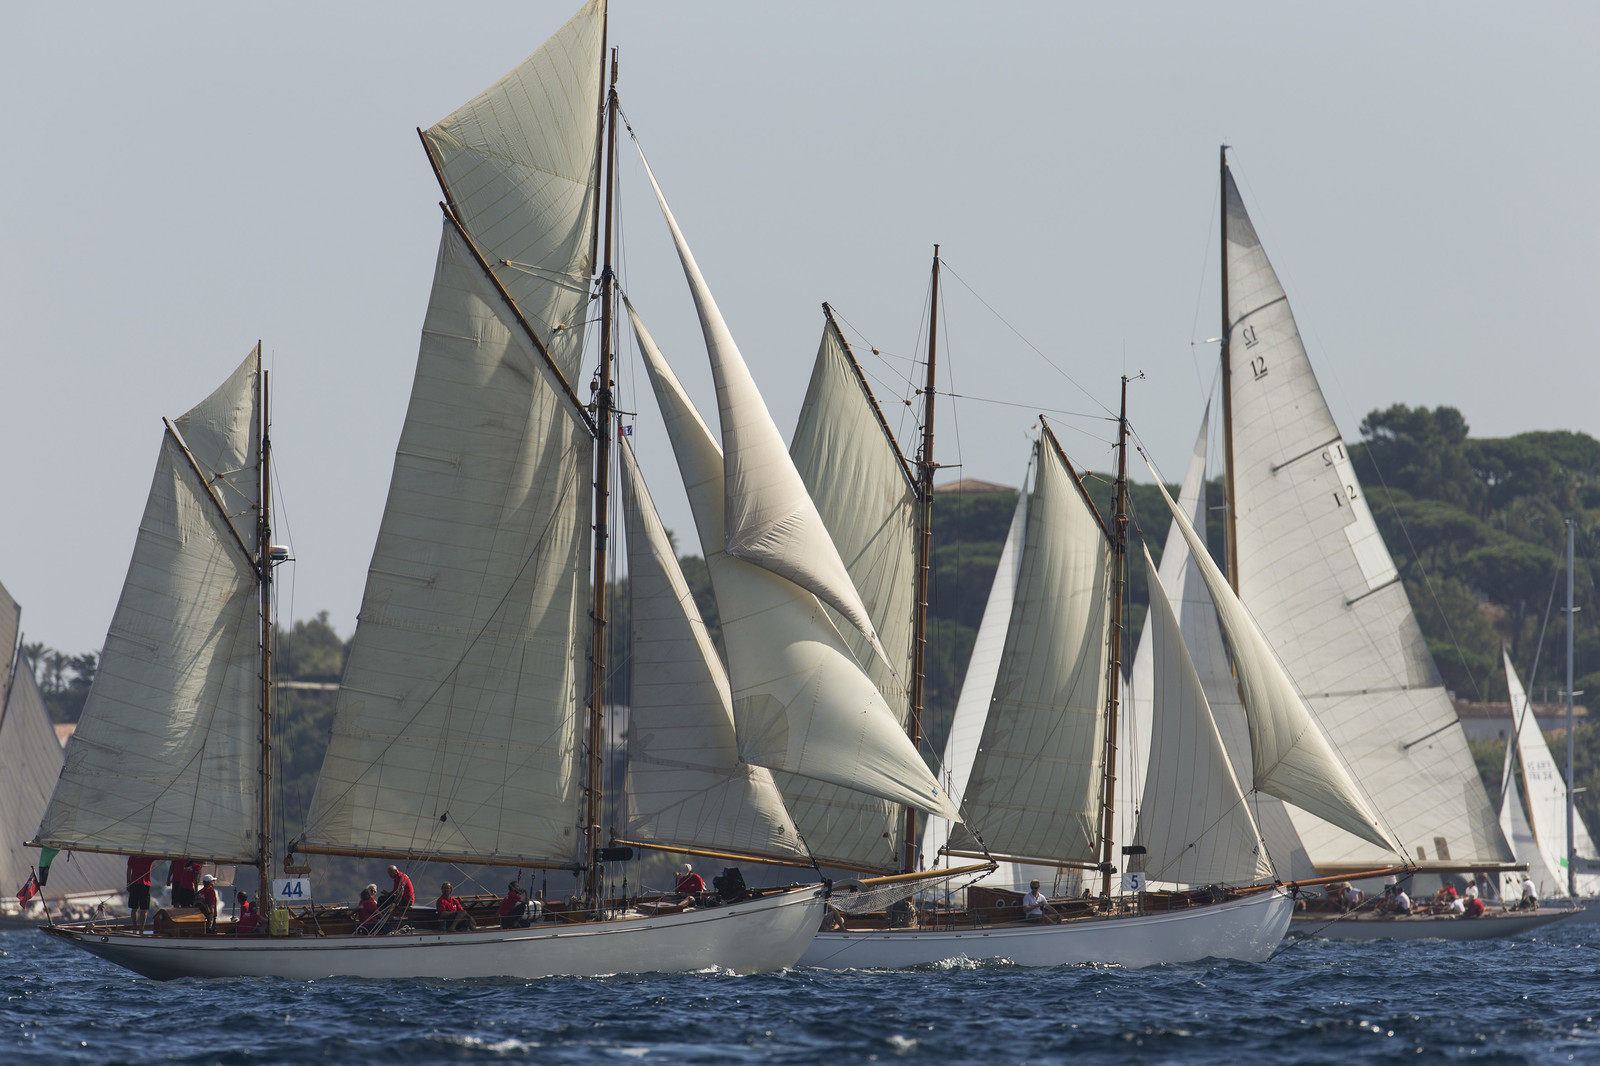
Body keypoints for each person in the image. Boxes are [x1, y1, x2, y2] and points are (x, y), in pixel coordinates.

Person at [126, 854, 155, 933]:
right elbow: (129, 868)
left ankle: (139, 928)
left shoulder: (147, 856)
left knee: (141, 908)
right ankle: (137, 928)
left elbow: (129, 869)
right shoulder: (135, 856)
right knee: (138, 908)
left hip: (141, 884)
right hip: (138, 884)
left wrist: (128, 882)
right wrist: (128, 882)